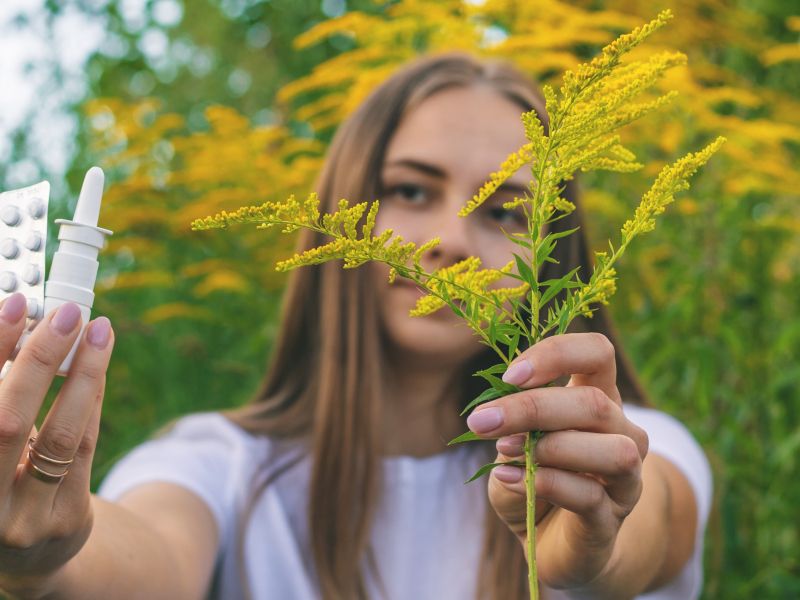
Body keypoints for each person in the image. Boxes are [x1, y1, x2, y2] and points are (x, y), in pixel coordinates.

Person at [0, 53, 711, 599]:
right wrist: (47, 558)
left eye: (505, 211)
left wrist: (597, 546)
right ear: (341, 216)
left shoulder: (621, 443)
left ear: (553, 255)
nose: (451, 240)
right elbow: (145, 546)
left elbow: (651, 516)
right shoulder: (221, 464)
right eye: (410, 190)